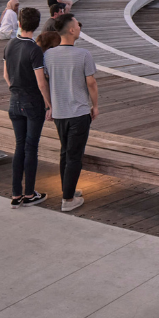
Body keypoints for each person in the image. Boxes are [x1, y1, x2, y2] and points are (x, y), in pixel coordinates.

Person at [42, 13, 99, 212]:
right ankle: (67, 200)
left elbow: (46, 81)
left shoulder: (48, 54)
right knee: (74, 155)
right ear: (72, 30)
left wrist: (50, 105)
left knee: (65, 153)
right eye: (77, 24)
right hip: (78, 112)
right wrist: (95, 105)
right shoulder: (83, 54)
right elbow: (91, 82)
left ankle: (69, 189)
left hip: (59, 112)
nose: (79, 27)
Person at [3, 7, 53, 208]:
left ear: (19, 23)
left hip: (14, 100)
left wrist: (15, 90)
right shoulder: (34, 49)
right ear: (37, 25)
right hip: (32, 103)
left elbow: (6, 75)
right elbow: (41, 82)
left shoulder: (10, 44)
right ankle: (30, 193)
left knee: (19, 146)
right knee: (31, 148)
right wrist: (48, 103)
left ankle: (16, 194)